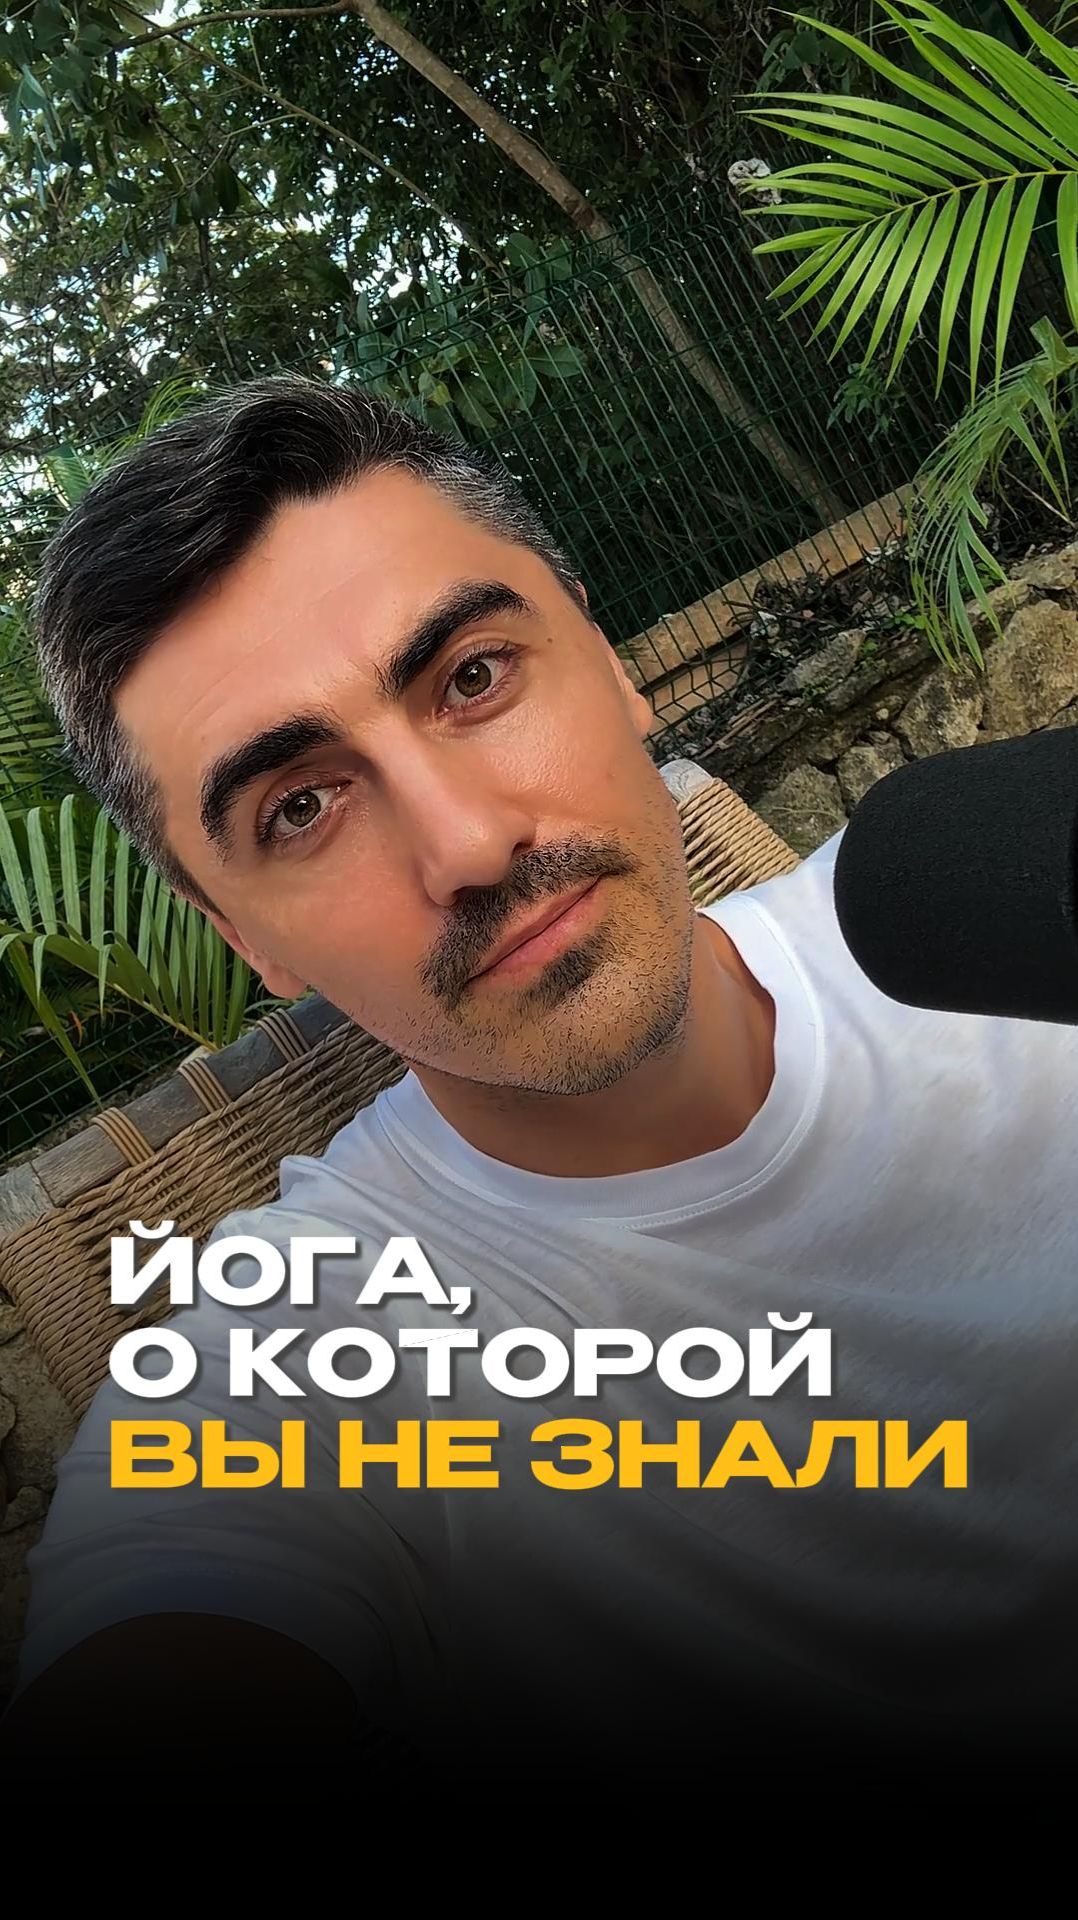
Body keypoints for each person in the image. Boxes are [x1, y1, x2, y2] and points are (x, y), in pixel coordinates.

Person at [3, 375, 1077, 1778]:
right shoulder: (308, 1356)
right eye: (302, 806)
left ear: (614, 662)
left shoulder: (1001, 914)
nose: (466, 846)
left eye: (472, 679)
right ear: (243, 937)